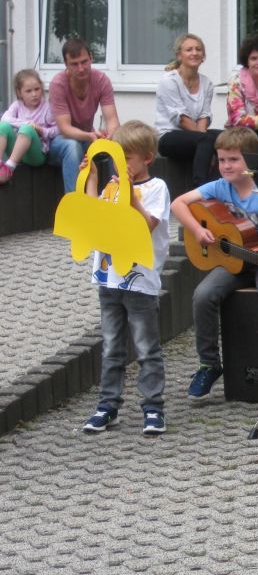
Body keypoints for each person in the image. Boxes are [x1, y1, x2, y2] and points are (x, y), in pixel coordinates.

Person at [171, 127, 258, 400]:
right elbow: (178, 204)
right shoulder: (218, 187)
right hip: (235, 261)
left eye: (234, 159)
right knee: (203, 295)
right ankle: (209, 364)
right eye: (221, 160)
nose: (226, 166)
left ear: (250, 161)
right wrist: (196, 230)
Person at [80, 121, 170, 436]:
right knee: (111, 347)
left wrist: (131, 196)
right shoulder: (111, 187)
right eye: (118, 156)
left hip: (139, 282)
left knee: (146, 347)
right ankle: (107, 407)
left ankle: (153, 408)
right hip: (108, 279)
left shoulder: (156, 188)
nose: (122, 163)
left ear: (147, 157)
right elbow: (93, 216)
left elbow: (147, 225)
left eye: (127, 157)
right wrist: (91, 178)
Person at [47, 38, 120, 193]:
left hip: (87, 138)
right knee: (72, 147)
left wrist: (111, 136)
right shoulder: (58, 84)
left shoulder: (101, 80)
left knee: (117, 143)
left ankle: (118, 200)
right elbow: (65, 129)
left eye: (84, 62)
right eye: (74, 64)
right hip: (58, 141)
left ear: (91, 58)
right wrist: (89, 135)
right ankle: (76, 207)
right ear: (66, 65)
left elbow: (112, 119)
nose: (81, 68)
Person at [155, 33, 221, 188]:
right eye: (189, 49)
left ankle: (225, 188)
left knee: (227, 137)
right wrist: (206, 141)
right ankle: (201, 190)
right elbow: (181, 119)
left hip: (195, 134)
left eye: (198, 49)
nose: (194, 53)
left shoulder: (207, 83)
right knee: (206, 141)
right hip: (168, 136)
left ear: (203, 55)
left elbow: (204, 115)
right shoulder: (169, 81)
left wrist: (207, 141)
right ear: (179, 55)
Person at [0, 69, 57, 184]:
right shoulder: (17, 105)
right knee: (3, 126)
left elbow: (57, 130)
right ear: (19, 92)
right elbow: (5, 119)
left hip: (36, 155)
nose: (34, 94)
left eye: (37, 89)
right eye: (28, 91)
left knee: (27, 129)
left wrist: (41, 130)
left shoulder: (47, 108)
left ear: (41, 88)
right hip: (18, 152)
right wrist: (27, 123)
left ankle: (9, 168)